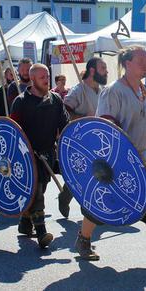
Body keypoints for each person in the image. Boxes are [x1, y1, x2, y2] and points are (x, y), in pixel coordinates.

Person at [75, 45, 146, 264]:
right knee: (104, 202)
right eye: (141, 61)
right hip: (117, 160)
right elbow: (106, 127)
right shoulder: (113, 91)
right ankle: (83, 239)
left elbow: (137, 122)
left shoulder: (142, 92)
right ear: (127, 64)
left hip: (141, 157)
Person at [11, 63, 69, 249]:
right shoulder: (21, 101)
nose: (46, 79)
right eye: (42, 76)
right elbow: (13, 132)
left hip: (48, 153)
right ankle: (42, 232)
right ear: (33, 79)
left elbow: (64, 125)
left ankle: (25, 223)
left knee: (40, 189)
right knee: (36, 191)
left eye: (47, 76)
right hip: (28, 155)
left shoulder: (56, 100)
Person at [58, 57, 108, 217]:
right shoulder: (78, 90)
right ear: (92, 71)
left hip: (99, 141)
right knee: (84, 175)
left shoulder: (102, 91)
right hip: (80, 141)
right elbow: (64, 112)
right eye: (103, 68)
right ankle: (76, 203)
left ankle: (77, 201)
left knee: (95, 175)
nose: (106, 72)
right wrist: (81, 117)